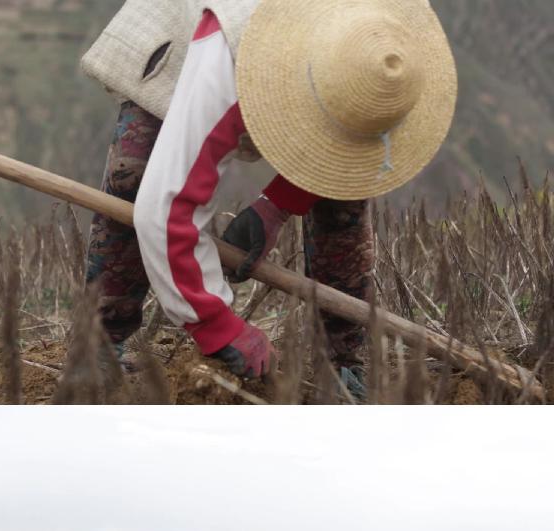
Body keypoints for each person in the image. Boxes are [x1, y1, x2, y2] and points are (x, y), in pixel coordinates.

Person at [80, 0, 456, 395]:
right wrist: (217, 325)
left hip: (325, 49)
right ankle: (99, 345)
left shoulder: (391, 49)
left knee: (343, 199)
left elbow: (352, 146)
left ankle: (343, 363)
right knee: (135, 175)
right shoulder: (227, 55)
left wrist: (277, 205)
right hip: (199, 24)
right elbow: (166, 207)